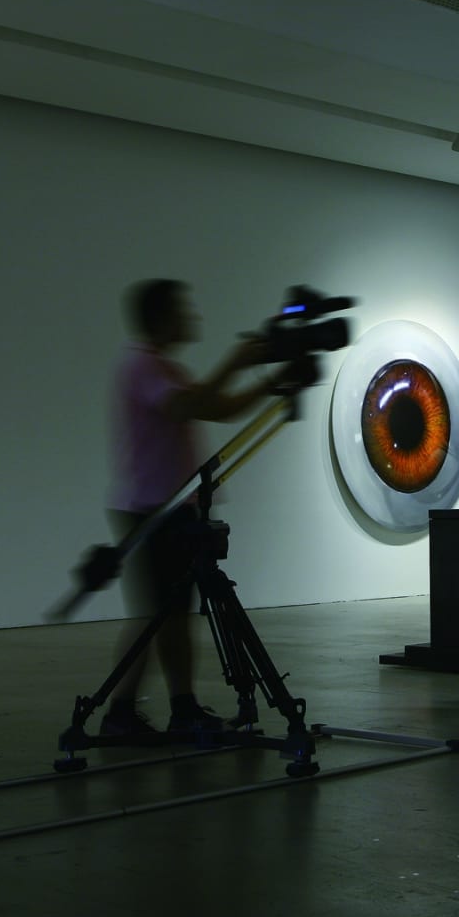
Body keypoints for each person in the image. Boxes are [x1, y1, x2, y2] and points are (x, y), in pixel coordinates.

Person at [103, 278, 291, 737]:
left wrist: (271, 382)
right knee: (161, 616)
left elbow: (216, 407)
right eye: (183, 309)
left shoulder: (162, 366)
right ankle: (156, 711)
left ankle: (141, 711)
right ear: (161, 317)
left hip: (164, 508)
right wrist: (237, 362)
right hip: (154, 510)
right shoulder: (143, 365)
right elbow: (187, 406)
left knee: (162, 616)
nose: (193, 317)